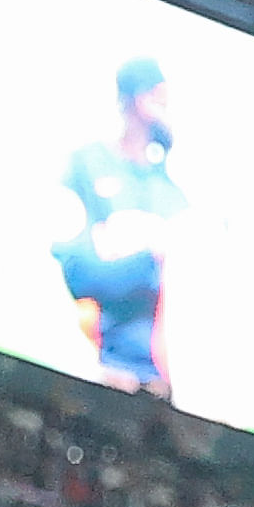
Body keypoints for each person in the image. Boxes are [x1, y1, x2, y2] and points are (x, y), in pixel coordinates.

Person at [54, 55, 180, 393]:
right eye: (159, 94)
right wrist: (146, 261)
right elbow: (78, 273)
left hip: (160, 380)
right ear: (139, 99)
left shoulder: (170, 186)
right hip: (101, 365)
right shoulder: (86, 164)